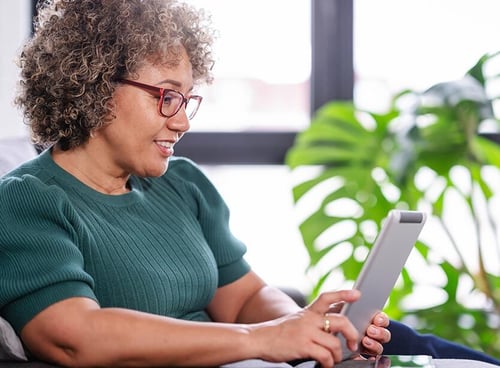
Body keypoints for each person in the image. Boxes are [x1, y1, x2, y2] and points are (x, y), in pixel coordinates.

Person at [0, 0, 497, 367]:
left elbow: (243, 299)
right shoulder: (28, 200)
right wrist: (262, 340)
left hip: (252, 362)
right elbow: (74, 336)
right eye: (167, 96)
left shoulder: (182, 185)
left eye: (189, 99)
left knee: (435, 353)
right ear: (94, 84)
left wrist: (310, 333)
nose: (183, 121)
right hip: (241, 360)